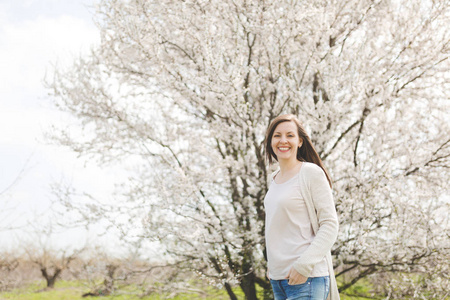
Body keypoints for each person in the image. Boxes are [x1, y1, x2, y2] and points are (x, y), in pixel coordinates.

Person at [264, 114, 340, 300]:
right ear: (270, 142)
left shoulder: (310, 173)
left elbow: (330, 224)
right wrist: (272, 266)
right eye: (277, 135)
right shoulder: (273, 179)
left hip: (307, 278)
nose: (283, 140)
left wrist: (303, 266)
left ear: (300, 142)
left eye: (290, 135)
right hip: (278, 279)